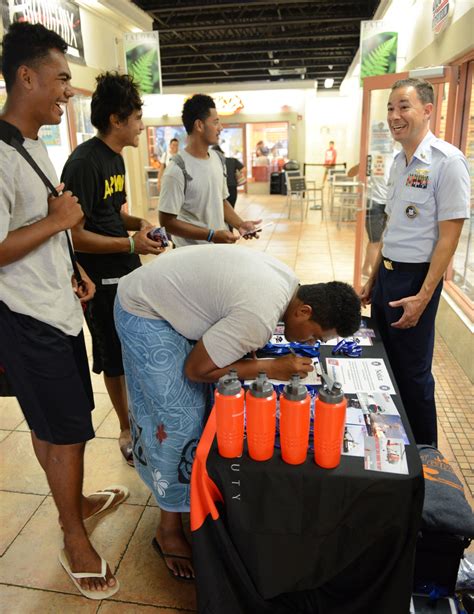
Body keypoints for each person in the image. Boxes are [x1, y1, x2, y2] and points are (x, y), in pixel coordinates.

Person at [114, 245, 361, 580]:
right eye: (316, 336)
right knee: (177, 419)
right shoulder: (258, 318)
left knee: (201, 401)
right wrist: (271, 368)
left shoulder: (288, 283)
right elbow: (196, 370)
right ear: (303, 311)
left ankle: (192, 494)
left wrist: (256, 360)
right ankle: (168, 530)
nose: (313, 343)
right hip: (143, 310)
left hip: (157, 293)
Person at [0, 22, 128, 600]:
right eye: (60, 80)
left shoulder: (34, 146)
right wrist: (57, 224)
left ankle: (71, 501)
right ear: (26, 77)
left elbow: (46, 225)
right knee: (67, 431)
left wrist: (69, 262)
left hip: (55, 306)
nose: (67, 92)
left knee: (57, 424)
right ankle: (73, 534)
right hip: (25, 318)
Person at [61, 72, 165, 466]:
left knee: (136, 350)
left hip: (128, 273)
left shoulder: (116, 159)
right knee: (113, 358)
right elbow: (76, 236)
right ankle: (125, 427)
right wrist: (129, 242)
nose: (142, 124)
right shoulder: (84, 163)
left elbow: (109, 215)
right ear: (117, 119)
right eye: (137, 116)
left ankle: (140, 418)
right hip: (99, 282)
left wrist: (140, 225)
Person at [360, 78, 470, 446]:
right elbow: (392, 228)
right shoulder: (398, 161)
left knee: (414, 373)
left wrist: (423, 297)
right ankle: (391, 443)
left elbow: (449, 238)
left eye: (403, 107)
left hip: (416, 281)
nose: (395, 116)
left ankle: (427, 457)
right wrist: (374, 277)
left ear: (427, 110)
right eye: (391, 108)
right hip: (389, 276)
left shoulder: (448, 162)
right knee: (383, 363)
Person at [159, 94, 260, 247]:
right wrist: (211, 235)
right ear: (199, 125)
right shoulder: (177, 169)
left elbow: (221, 201)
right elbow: (167, 223)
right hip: (190, 256)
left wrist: (240, 224)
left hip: (217, 251)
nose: (221, 128)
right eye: (216, 122)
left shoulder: (218, 159)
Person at [348, 153, 395, 277]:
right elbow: (350, 173)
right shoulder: (372, 157)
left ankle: (365, 269)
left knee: (379, 240)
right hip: (373, 202)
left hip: (390, 204)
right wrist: (362, 164)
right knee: (376, 241)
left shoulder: (398, 155)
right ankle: (377, 276)